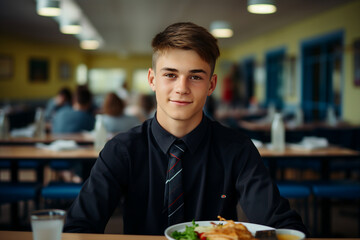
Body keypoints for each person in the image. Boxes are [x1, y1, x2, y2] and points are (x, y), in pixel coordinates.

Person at [64, 22, 309, 236]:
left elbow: (282, 224)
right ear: (152, 79)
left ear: (211, 84)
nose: (182, 88)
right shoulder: (121, 150)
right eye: (170, 75)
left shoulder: (237, 149)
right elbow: (78, 227)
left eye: (195, 77)